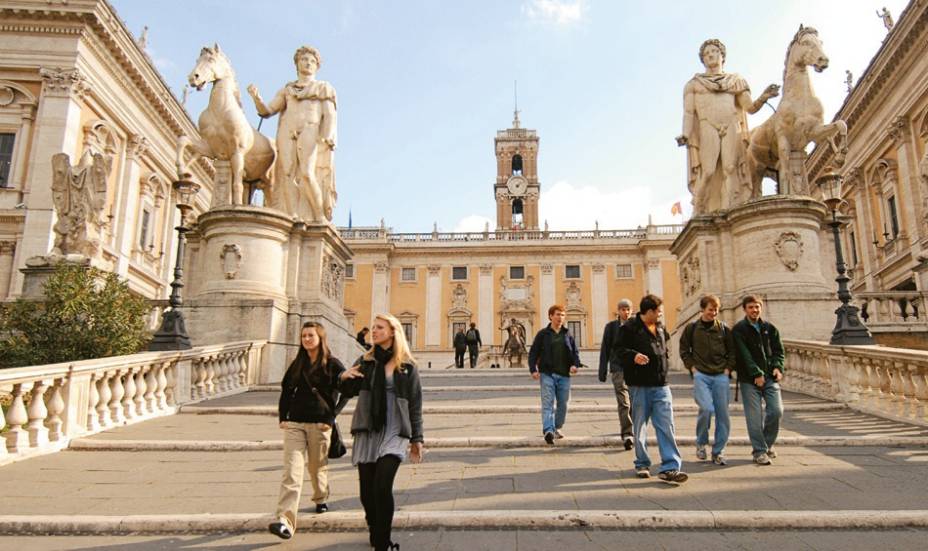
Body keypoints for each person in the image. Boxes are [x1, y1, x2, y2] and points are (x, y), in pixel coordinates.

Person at [339, 313, 424, 551]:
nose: (373, 331)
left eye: (379, 328)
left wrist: (417, 438)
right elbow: (348, 390)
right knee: (367, 492)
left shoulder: (407, 366)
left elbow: (415, 404)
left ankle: (382, 542)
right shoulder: (365, 361)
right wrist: (342, 377)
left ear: (393, 332)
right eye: (373, 328)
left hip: (395, 432)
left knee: (382, 486)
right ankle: (374, 527)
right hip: (368, 430)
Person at [677, 39, 779, 213]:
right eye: (706, 53)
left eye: (714, 51)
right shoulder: (694, 84)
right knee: (708, 171)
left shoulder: (736, 81)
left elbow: (750, 107)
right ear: (703, 59)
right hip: (707, 125)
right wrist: (685, 134)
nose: (710, 55)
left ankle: (729, 209)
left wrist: (764, 96)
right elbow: (688, 112)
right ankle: (699, 209)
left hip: (731, 125)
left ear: (722, 56)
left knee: (730, 168)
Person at [268, 321, 346, 540]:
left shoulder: (332, 364)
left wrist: (331, 418)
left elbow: (347, 391)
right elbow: (286, 390)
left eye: (311, 335)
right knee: (292, 472)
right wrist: (283, 417)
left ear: (320, 338)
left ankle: (321, 498)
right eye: (304, 336)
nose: (307, 339)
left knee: (316, 467)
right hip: (295, 424)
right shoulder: (297, 364)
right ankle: (285, 521)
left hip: (320, 423)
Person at [247, 46, 337, 222]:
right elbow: (267, 111)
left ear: (317, 66)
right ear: (297, 63)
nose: (308, 63)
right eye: (304, 59)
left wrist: (328, 135)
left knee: (307, 172)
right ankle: (293, 216)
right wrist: (257, 98)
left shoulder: (323, 88)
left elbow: (330, 115)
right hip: (287, 131)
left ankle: (319, 216)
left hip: (310, 129)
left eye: (312, 61)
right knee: (286, 172)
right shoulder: (287, 90)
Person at [614, 294, 688, 484]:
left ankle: (670, 467)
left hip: (661, 384)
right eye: (659, 311)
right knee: (640, 427)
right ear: (649, 312)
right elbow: (618, 351)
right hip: (639, 385)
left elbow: (665, 350)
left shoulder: (661, 328)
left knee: (666, 426)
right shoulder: (629, 328)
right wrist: (633, 356)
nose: (661, 314)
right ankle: (642, 462)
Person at [679, 294, 736, 466]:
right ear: (702, 309)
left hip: (720, 375)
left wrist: (728, 369)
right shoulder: (692, 328)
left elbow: (732, 351)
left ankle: (718, 451)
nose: (714, 313)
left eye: (716, 310)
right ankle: (701, 443)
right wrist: (693, 368)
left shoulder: (724, 329)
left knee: (723, 415)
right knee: (705, 408)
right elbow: (684, 350)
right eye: (711, 309)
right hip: (701, 375)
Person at [732, 295, 785, 466]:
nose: (754, 310)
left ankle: (767, 444)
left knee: (777, 411)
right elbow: (743, 354)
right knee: (754, 417)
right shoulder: (739, 330)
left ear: (761, 308)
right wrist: (756, 373)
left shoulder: (770, 328)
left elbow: (778, 351)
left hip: (770, 377)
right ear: (745, 309)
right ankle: (759, 451)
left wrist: (778, 367)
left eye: (757, 307)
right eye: (751, 307)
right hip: (749, 380)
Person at [528, 304, 581, 444]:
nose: (560, 317)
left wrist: (575, 364)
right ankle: (548, 430)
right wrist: (533, 369)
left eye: (562, 315)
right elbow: (533, 352)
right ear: (551, 316)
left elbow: (575, 352)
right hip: (547, 374)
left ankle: (556, 427)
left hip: (564, 375)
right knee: (547, 403)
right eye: (557, 314)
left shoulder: (567, 334)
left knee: (563, 404)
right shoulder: (543, 334)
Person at [598, 298, 635, 451]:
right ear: (618, 311)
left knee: (635, 401)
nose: (626, 312)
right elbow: (605, 348)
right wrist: (602, 370)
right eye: (623, 309)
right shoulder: (611, 327)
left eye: (628, 309)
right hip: (618, 368)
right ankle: (627, 433)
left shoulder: (636, 327)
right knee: (624, 402)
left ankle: (633, 429)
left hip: (635, 368)